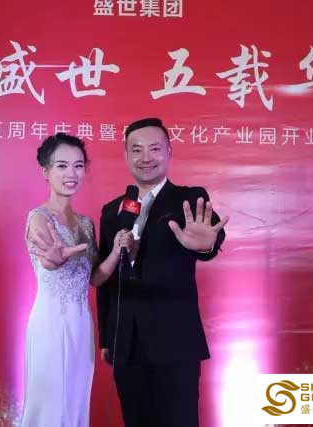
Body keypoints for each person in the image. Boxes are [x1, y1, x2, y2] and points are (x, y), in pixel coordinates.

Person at [96, 118, 229, 427]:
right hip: (126, 342)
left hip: (174, 342)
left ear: (169, 152)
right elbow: (107, 277)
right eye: (137, 150)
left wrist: (207, 245)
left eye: (154, 149)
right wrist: (106, 336)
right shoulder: (112, 210)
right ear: (126, 155)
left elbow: (209, 234)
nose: (146, 158)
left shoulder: (188, 198)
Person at [20, 133, 133, 427]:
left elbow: (94, 278)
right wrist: (54, 261)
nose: (71, 173)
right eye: (62, 166)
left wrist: (116, 250)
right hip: (50, 323)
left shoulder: (85, 223)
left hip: (81, 324)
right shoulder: (39, 218)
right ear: (45, 171)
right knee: (50, 404)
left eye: (78, 165)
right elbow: (48, 260)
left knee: (75, 400)